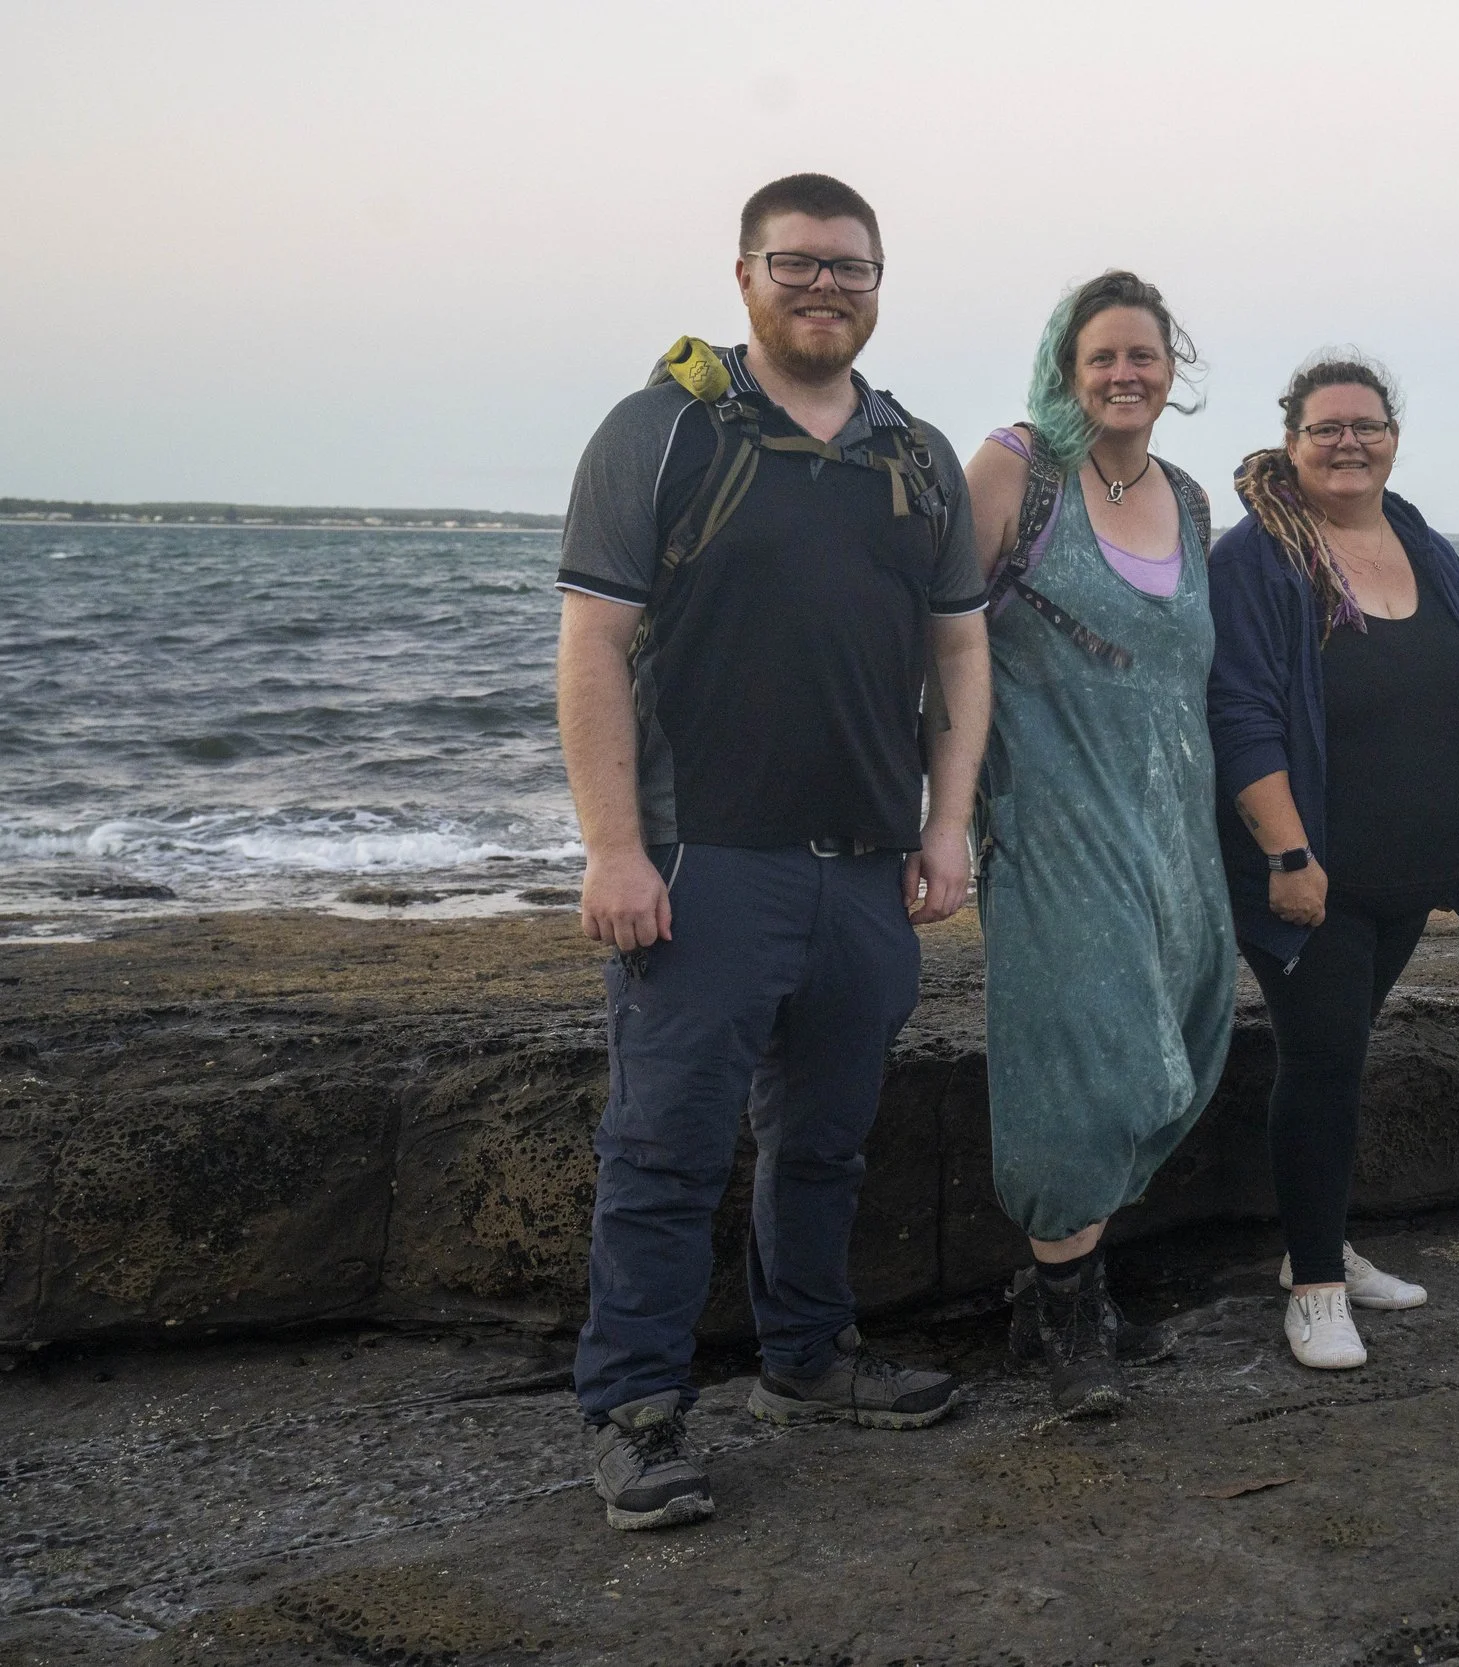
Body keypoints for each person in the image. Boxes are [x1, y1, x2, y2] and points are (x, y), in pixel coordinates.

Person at [554, 174, 991, 1529]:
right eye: (798, 265)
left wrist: (947, 820)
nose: (827, 289)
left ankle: (805, 1363)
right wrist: (615, 848)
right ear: (744, 275)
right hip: (703, 862)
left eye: (852, 269)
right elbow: (594, 645)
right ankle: (633, 1409)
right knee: (665, 1151)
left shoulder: (914, 454)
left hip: (863, 868)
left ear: (879, 285)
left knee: (827, 1142)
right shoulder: (663, 434)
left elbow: (960, 648)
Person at [961, 273, 1233, 1417]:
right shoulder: (1016, 470)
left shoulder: (1188, 495)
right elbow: (934, 640)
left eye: (1146, 354)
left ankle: (1062, 1285)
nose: (1127, 373)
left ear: (1174, 368)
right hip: (1053, 818)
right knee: (1079, 1063)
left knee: (1183, 1044)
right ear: (1066, 367)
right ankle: (1069, 1319)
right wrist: (935, 813)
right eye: (1103, 355)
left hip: (1175, 825)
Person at [1207, 354, 1459, 1371]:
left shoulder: (1417, 537)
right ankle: (1316, 1291)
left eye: (1366, 425)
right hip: (1307, 875)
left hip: (1405, 879)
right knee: (1324, 1061)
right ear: (1291, 438)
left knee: (1342, 1053)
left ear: (1393, 435)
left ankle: (1317, 1242)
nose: (1348, 441)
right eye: (1326, 426)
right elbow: (1240, 712)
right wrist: (1288, 850)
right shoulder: (1256, 558)